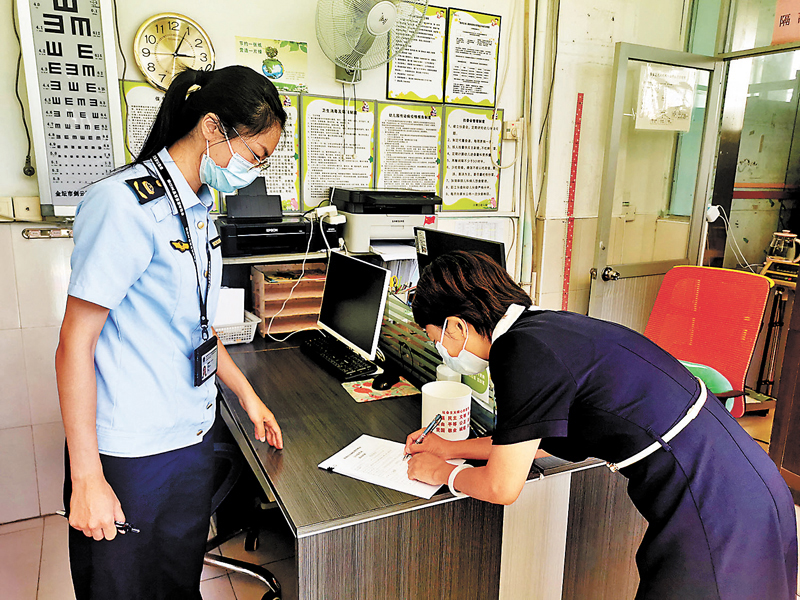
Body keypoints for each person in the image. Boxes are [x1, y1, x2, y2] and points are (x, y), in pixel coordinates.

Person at [405, 250, 798, 600]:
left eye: (434, 337)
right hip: (748, 482)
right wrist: (450, 447)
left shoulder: (518, 352)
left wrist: (444, 472)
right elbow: (533, 442)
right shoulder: (543, 328)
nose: (441, 348)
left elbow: (501, 486)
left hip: (714, 505)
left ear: (457, 326)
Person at [55, 66, 286, 599]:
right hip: (130, 453)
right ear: (212, 127)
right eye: (255, 156)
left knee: (177, 583)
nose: (255, 172)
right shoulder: (124, 204)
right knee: (121, 588)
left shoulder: (199, 208)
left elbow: (196, 327)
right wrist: (87, 477)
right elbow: (75, 345)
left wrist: (248, 397)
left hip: (190, 439)